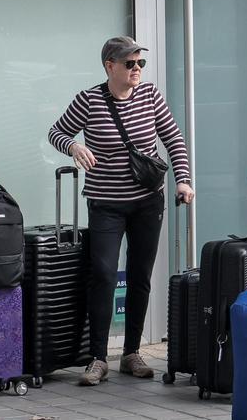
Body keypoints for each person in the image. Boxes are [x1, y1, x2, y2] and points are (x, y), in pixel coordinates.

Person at [48, 37, 194, 385]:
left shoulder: (151, 96)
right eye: (130, 64)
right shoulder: (89, 100)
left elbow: (173, 138)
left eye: (140, 63)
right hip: (105, 203)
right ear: (109, 66)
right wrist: (73, 146)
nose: (137, 70)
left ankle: (131, 353)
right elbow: (56, 131)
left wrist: (183, 180)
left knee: (141, 275)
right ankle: (98, 357)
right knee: (102, 273)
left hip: (147, 201)